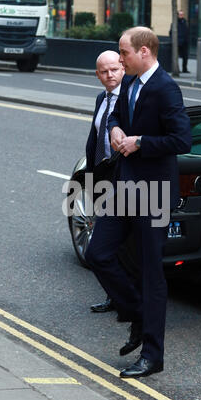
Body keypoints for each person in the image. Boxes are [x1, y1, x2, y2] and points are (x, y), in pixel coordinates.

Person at [85, 27, 192, 378]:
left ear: (144, 51)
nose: (119, 59)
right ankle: (136, 313)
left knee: (151, 274)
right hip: (125, 186)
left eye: (124, 53)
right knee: (97, 253)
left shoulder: (165, 88)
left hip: (155, 192)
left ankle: (152, 355)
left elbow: (182, 139)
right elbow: (117, 116)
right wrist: (115, 129)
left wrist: (141, 142)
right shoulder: (129, 82)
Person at [85, 50, 125, 314]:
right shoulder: (102, 98)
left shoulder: (131, 99)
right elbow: (94, 138)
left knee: (120, 242)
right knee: (107, 243)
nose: (109, 75)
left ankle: (127, 299)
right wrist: (90, 176)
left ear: (123, 68)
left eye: (114, 70)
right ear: (97, 74)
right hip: (101, 175)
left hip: (122, 177)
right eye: (103, 71)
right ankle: (114, 296)